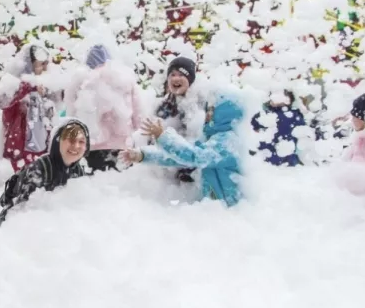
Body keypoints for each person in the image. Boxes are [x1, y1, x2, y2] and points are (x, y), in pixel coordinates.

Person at [123, 95, 244, 206]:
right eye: (208, 109)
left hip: (231, 211)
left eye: (213, 110)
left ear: (226, 114)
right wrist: (143, 155)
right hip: (217, 210)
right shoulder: (213, 140)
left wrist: (163, 137)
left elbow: (194, 156)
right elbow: (178, 158)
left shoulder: (227, 141)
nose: (207, 114)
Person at [65, 44, 142, 173]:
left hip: (92, 145)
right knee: (123, 186)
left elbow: (72, 113)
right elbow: (139, 114)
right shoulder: (125, 79)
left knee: (97, 187)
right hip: (122, 145)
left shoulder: (81, 81)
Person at [0, 119, 90, 226]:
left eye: (81, 141)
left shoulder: (78, 171)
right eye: (71, 140)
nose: (76, 146)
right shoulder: (40, 169)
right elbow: (22, 212)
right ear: (57, 141)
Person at [0, 43, 56, 172]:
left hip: (42, 146)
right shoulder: (14, 83)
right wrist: (29, 87)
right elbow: (2, 101)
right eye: (42, 64)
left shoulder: (43, 84)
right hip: (21, 147)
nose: (46, 68)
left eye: (47, 63)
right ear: (30, 64)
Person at [153, 56, 203, 184]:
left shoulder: (200, 102)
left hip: (193, 166)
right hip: (169, 165)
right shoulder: (164, 104)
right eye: (172, 74)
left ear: (190, 79)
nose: (176, 78)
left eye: (181, 75)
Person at [251, 90, 306, 167]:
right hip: (269, 160)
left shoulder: (295, 115)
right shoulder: (263, 115)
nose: (279, 99)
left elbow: (304, 135)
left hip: (284, 160)